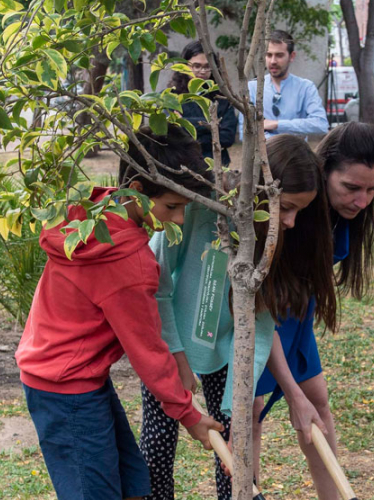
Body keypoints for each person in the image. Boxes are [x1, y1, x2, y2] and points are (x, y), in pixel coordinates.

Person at [15, 125, 224, 500]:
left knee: (131, 484)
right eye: (172, 207)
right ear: (139, 193)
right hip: (67, 385)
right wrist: (189, 415)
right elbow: (146, 350)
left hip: (67, 373)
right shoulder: (129, 263)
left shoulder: (90, 215)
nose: (177, 221)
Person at [139, 134, 338, 500]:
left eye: (300, 212)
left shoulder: (273, 240)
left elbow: (259, 325)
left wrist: (236, 401)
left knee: (235, 445)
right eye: (287, 207)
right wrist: (177, 361)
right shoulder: (199, 207)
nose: (292, 222)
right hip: (169, 342)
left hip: (226, 354)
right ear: (262, 191)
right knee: (158, 443)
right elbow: (159, 287)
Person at [253, 122, 374, 499]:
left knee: (317, 405)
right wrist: (291, 392)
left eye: (372, 189)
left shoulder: (345, 216)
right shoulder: (288, 216)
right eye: (351, 188)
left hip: (295, 319)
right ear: (322, 170)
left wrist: (299, 394)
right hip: (262, 320)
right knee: (249, 415)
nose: (362, 201)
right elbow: (261, 311)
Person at [241, 30, 329, 139]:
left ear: (291, 56)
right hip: (264, 154)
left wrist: (276, 124)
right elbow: (244, 132)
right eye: (269, 55)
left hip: (297, 154)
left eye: (279, 55)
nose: (273, 61)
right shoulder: (252, 88)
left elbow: (320, 125)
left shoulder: (306, 87)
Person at [170, 41, 237, 166]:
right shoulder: (170, 97)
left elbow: (227, 137)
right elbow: (171, 136)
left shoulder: (222, 98)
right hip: (182, 165)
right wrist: (215, 125)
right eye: (196, 66)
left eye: (207, 66)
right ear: (184, 66)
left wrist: (185, 122)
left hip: (217, 165)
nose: (202, 71)